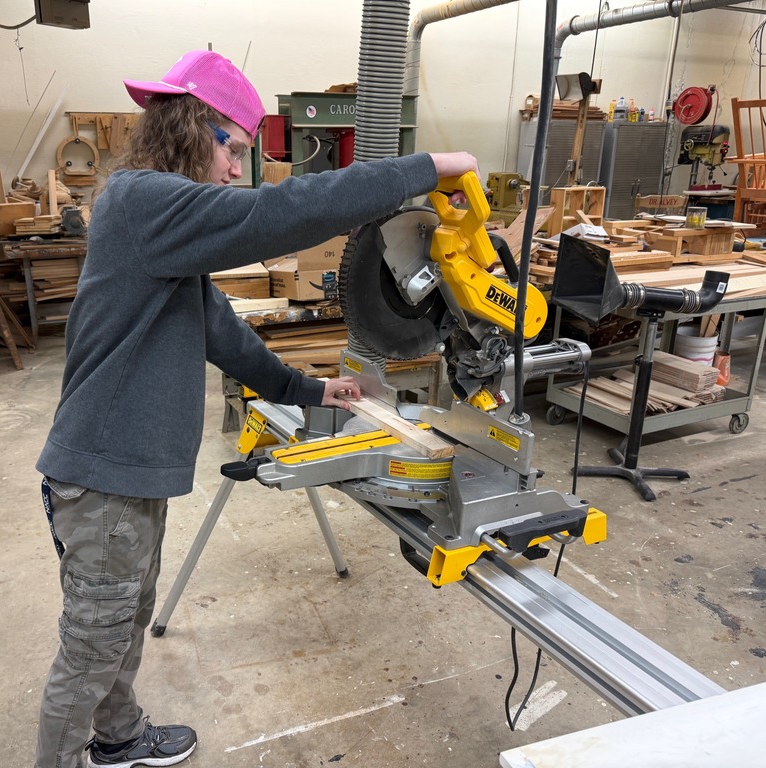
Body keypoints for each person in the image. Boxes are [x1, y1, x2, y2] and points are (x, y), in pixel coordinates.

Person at [34, 48, 479, 768]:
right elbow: (281, 212)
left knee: (122, 621)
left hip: (124, 476)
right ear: (190, 125)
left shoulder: (163, 232)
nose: (238, 168)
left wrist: (308, 390)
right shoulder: (142, 201)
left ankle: (115, 740)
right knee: (91, 646)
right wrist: (425, 168)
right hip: (104, 481)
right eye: (234, 148)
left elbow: (220, 333)